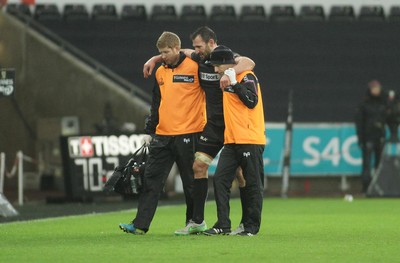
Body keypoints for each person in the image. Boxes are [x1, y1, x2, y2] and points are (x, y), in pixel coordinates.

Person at [143, 26, 255, 236]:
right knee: (198, 166)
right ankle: (197, 221)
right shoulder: (200, 58)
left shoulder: (226, 57)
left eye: (199, 46)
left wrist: (229, 72)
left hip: (232, 124)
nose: (196, 50)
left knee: (240, 173)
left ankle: (247, 222)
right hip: (213, 125)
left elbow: (250, 62)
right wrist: (154, 59)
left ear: (212, 42)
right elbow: (180, 51)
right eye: (195, 46)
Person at [119, 31, 206, 234]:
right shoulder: (160, 72)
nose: (163, 56)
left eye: (166, 52)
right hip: (163, 135)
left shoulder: (195, 67)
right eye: (160, 53)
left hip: (189, 133)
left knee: (190, 183)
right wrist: (150, 131)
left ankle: (193, 222)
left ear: (177, 48)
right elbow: (157, 103)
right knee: (151, 179)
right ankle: (140, 225)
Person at [203, 45, 266, 236]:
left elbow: (251, 101)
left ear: (224, 63)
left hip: (250, 139)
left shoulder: (247, 76)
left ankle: (251, 227)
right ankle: (223, 224)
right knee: (220, 180)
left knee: (253, 184)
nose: (214, 70)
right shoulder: (230, 76)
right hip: (231, 141)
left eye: (216, 66)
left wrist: (235, 83)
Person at [355, 80, 388, 193]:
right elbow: (359, 123)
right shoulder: (364, 105)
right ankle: (366, 188)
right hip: (368, 138)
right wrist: (360, 139)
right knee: (366, 165)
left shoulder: (383, 103)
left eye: (377, 88)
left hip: (380, 138)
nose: (376, 90)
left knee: (379, 166)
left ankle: (378, 188)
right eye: (374, 88)